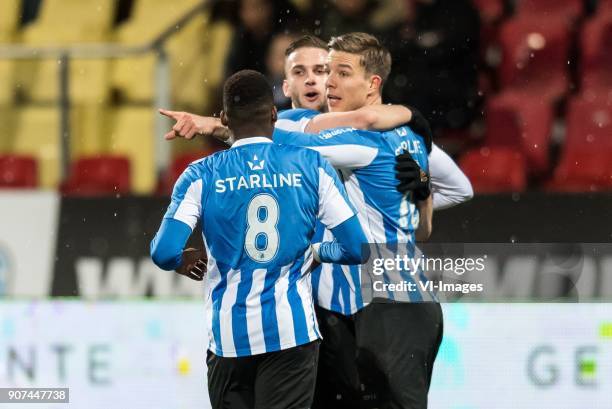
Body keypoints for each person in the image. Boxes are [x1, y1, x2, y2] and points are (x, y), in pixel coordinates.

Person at [160, 33, 472, 408]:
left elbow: (457, 188)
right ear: (284, 86)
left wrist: (419, 191)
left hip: (371, 301)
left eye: (327, 71)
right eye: (302, 71)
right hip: (324, 311)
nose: (320, 80)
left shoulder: (367, 135)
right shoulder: (309, 126)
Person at [150, 70, 368, 409]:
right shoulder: (311, 165)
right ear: (273, 114)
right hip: (291, 333)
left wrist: (182, 260)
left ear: (223, 118)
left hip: (228, 339)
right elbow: (357, 248)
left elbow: (164, 252)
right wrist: (317, 252)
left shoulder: (200, 174)